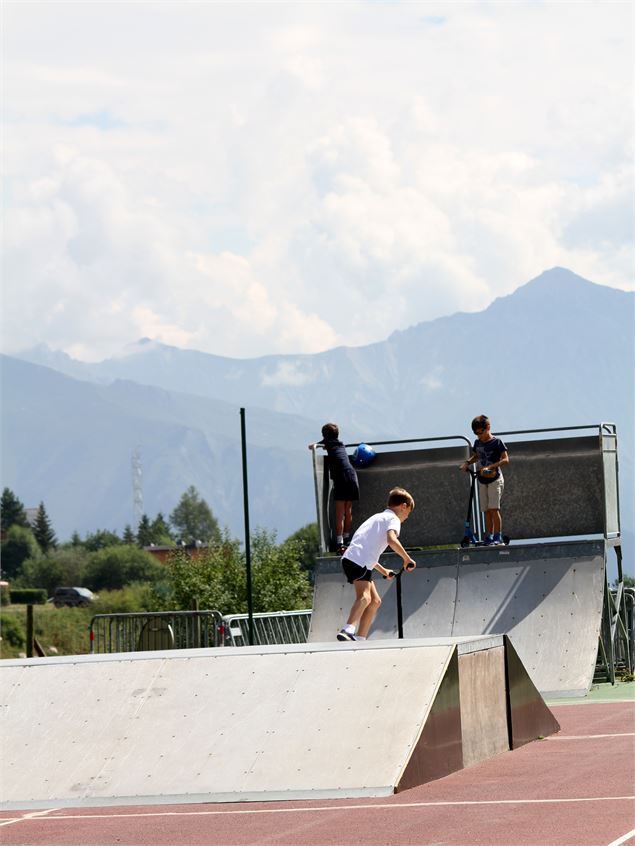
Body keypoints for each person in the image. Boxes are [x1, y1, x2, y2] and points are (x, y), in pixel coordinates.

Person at [337, 487, 416, 642]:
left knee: (375, 601)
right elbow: (391, 540)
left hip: (355, 559)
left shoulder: (378, 518)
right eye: (408, 513)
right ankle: (348, 630)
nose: (406, 518)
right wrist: (407, 559)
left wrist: (384, 570)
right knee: (365, 597)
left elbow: (368, 551)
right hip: (359, 560)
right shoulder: (393, 519)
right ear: (403, 506)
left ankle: (361, 638)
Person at [309, 422, 359, 552]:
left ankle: (339, 542)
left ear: (325, 436)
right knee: (348, 511)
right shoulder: (340, 444)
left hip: (341, 478)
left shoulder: (328, 443)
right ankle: (347, 539)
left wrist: (314, 445)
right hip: (352, 476)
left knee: (339, 513)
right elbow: (327, 443)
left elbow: (316, 445)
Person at [460, 414, 509, 545]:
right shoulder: (477, 443)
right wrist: (467, 463)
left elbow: (505, 459)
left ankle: (498, 537)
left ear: (488, 427)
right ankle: (489, 536)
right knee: (486, 510)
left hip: (495, 478)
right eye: (476, 434)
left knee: (494, 509)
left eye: (480, 433)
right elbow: (476, 456)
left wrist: (491, 466)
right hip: (483, 479)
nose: (479, 436)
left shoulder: (497, 442)